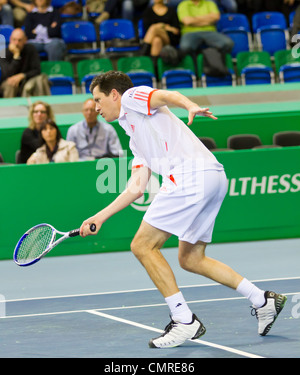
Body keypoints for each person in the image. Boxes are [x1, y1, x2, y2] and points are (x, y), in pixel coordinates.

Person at [79, 71, 287, 348]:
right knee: (190, 258)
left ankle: (184, 320)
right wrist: (100, 216)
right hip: (213, 176)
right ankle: (263, 300)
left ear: (114, 94)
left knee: (142, 246)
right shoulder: (134, 137)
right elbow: (136, 187)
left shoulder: (131, 97)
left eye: (98, 99)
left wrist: (189, 105)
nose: (95, 107)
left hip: (190, 177)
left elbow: (167, 95)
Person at [0, 28, 50, 98]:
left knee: (40, 79)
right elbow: (7, 74)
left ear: (25, 40)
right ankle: (10, 108)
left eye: (19, 40)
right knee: (11, 84)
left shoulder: (30, 49)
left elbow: (37, 70)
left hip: (27, 80)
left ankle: (40, 107)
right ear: (10, 39)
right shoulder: (3, 53)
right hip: (8, 82)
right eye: (14, 40)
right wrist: (16, 56)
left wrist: (22, 75)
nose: (16, 43)